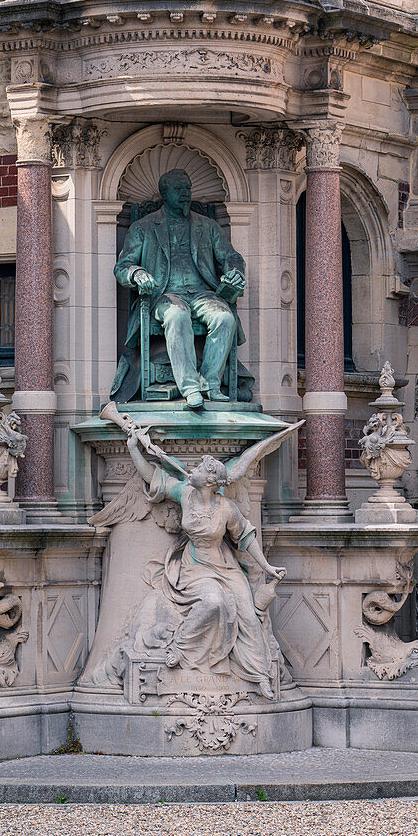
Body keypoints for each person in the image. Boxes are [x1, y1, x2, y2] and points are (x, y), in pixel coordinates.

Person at [125, 424, 289, 700]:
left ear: (210, 481)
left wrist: (267, 567)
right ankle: (181, 645)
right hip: (193, 566)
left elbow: (246, 538)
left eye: (200, 469)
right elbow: (154, 477)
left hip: (225, 567)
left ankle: (259, 674)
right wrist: (133, 448)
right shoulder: (184, 493)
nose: (194, 470)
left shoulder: (225, 508)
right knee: (215, 601)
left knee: (247, 613)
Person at [113, 168, 246, 408]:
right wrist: (138, 273)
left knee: (225, 318)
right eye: (179, 189)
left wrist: (234, 272)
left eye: (188, 189)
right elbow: (123, 266)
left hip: (203, 293)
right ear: (165, 193)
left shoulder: (207, 226)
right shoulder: (144, 227)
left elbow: (231, 257)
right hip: (164, 295)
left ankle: (210, 382)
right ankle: (190, 387)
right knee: (177, 315)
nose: (185, 194)